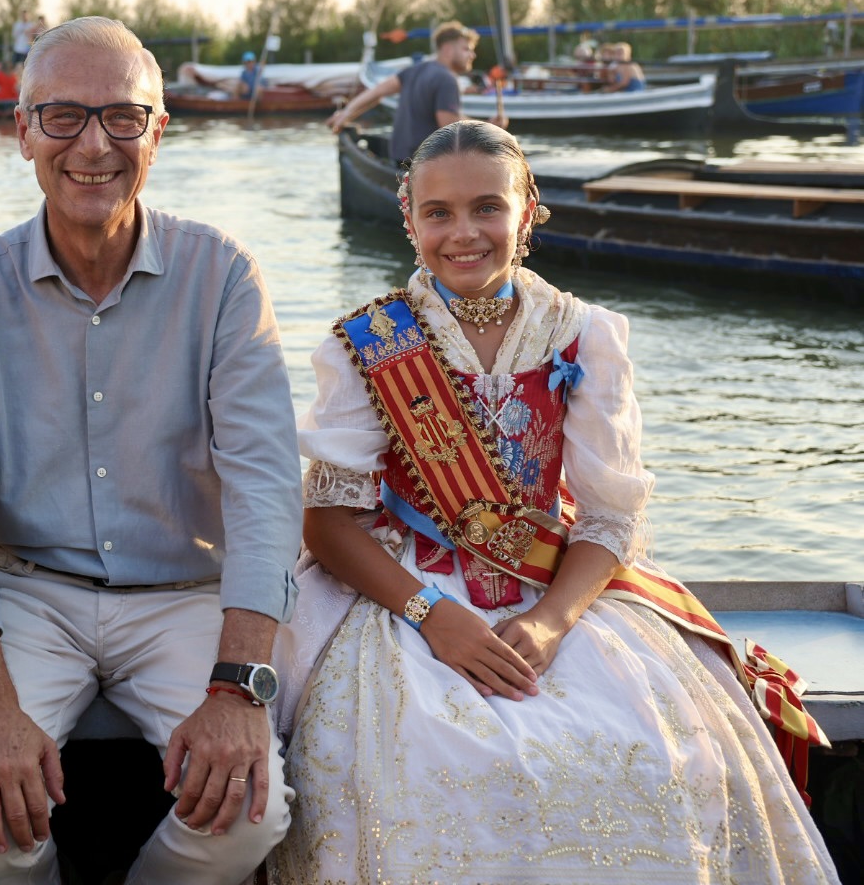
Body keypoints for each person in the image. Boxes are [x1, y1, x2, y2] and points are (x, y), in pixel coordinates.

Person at [266, 120, 837, 883]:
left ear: (528, 209)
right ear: (408, 218)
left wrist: (550, 620)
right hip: (403, 595)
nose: (463, 233)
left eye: (486, 208)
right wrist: (434, 618)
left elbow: (608, 516)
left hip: (555, 588)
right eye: (438, 213)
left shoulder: (586, 336)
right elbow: (329, 522)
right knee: (428, 758)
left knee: (652, 753)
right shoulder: (366, 344)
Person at [0, 16, 301, 883]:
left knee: (250, 810)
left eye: (123, 117)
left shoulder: (223, 277)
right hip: (31, 596)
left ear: (158, 133)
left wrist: (239, 688)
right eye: (63, 117)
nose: (94, 144)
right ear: (23, 133)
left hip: (185, 595)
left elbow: (266, 488)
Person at [327, 20, 505, 161]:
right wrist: (489, 128)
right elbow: (450, 124)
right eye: (466, 49)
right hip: (426, 163)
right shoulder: (448, 79)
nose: (472, 55)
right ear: (448, 49)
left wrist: (345, 115)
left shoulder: (415, 70)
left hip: (400, 159)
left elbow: (376, 92)